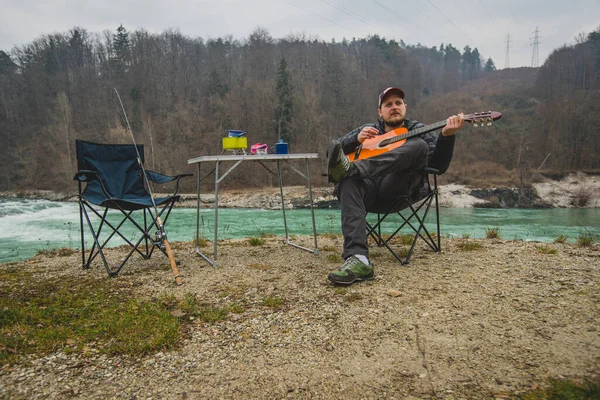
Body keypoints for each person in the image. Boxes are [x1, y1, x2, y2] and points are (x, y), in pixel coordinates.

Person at [326, 87, 464, 285]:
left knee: (419, 146)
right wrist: (354, 140)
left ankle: (354, 169)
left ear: (405, 107)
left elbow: (438, 167)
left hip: (399, 190)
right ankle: (358, 259)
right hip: (368, 193)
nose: (394, 107)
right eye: (388, 104)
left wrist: (447, 137)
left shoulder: (419, 130)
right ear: (380, 112)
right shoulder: (369, 129)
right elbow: (332, 151)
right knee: (347, 180)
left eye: (398, 103)